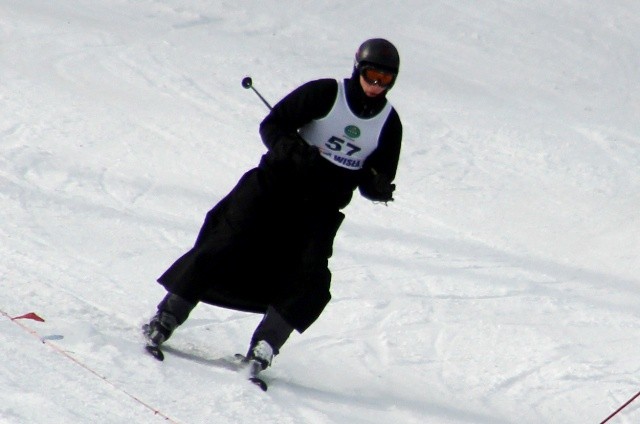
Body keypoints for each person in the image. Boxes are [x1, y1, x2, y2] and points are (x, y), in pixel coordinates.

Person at [144, 38, 403, 373]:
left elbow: (374, 177)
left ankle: (266, 345)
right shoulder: (325, 94)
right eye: (371, 76)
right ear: (357, 69)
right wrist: (293, 150)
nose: (375, 86)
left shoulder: (389, 124)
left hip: (319, 210)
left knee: (311, 277)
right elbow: (272, 126)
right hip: (272, 188)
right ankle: (167, 316)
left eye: (385, 81)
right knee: (224, 243)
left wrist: (377, 187)